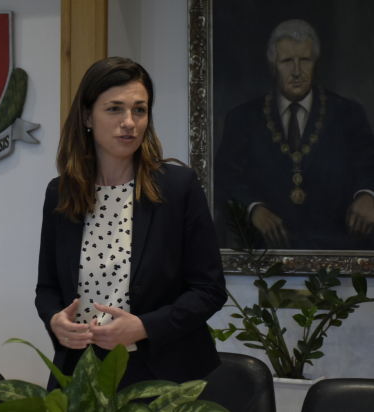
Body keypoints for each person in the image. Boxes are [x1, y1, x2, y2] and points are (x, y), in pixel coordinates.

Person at [35, 57, 227, 391]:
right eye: (114, 109)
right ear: (87, 117)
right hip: (79, 369)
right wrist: (55, 320)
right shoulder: (61, 192)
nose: (129, 122)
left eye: (139, 110)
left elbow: (209, 290)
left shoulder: (178, 187)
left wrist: (143, 327)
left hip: (159, 373)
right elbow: (47, 288)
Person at [214, 19, 374, 250]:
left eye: (305, 60)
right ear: (272, 67)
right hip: (266, 250)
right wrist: (253, 208)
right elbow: (225, 178)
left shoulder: (348, 114)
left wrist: (368, 194)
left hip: (338, 248)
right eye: (287, 61)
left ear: (316, 63)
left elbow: (368, 164)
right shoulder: (243, 119)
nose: (297, 71)